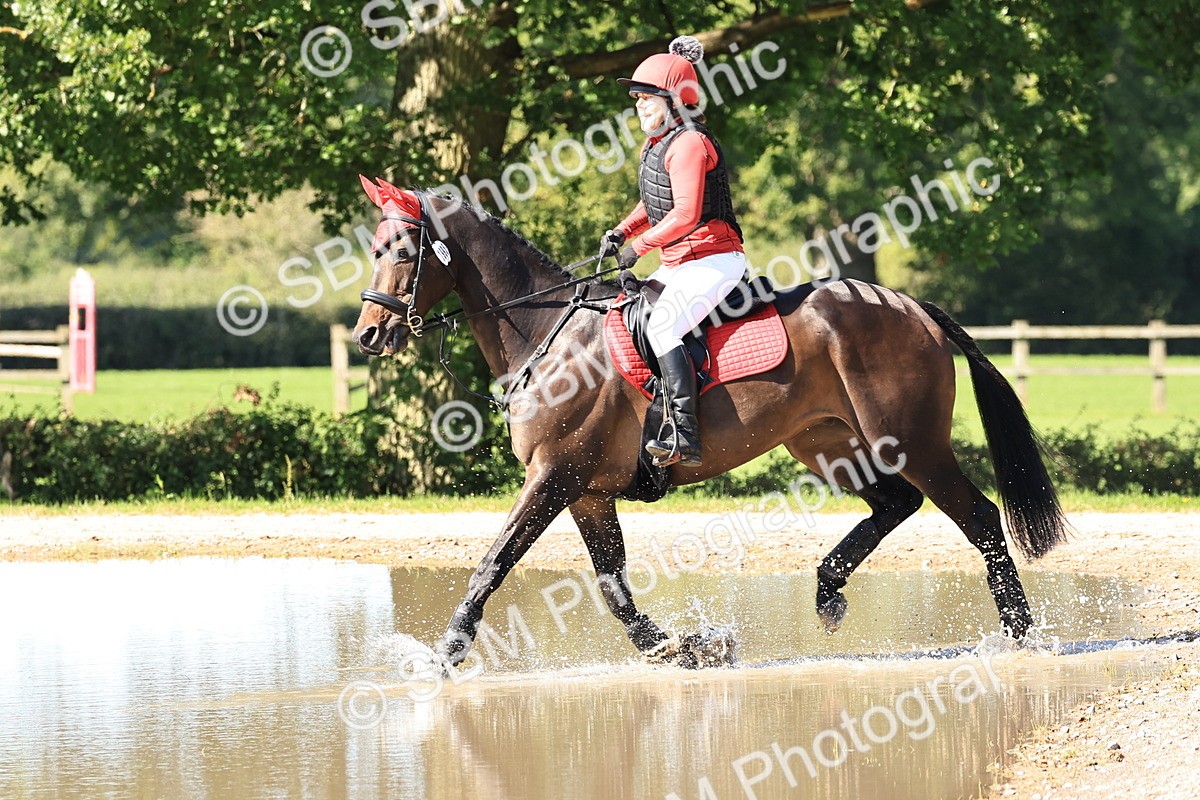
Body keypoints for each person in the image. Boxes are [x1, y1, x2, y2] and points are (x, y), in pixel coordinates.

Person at [599, 35, 746, 468]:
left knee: (663, 327)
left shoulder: (689, 143)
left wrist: (638, 248)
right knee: (629, 315)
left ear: (675, 99)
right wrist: (622, 231)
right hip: (680, 263)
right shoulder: (658, 144)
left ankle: (685, 436)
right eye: (637, 99)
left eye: (648, 97)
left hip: (714, 261)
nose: (640, 106)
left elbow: (684, 215)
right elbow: (656, 200)